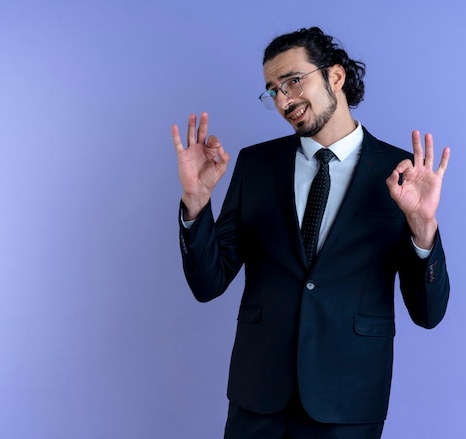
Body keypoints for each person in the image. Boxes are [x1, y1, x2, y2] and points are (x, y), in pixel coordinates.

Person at [171, 26, 450, 439]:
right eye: (273, 90)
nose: (283, 100)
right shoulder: (256, 165)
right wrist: (196, 205)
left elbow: (427, 314)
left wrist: (423, 228)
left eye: (293, 81)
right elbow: (208, 283)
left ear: (334, 76)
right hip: (257, 396)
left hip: (348, 400)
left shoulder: (402, 173)